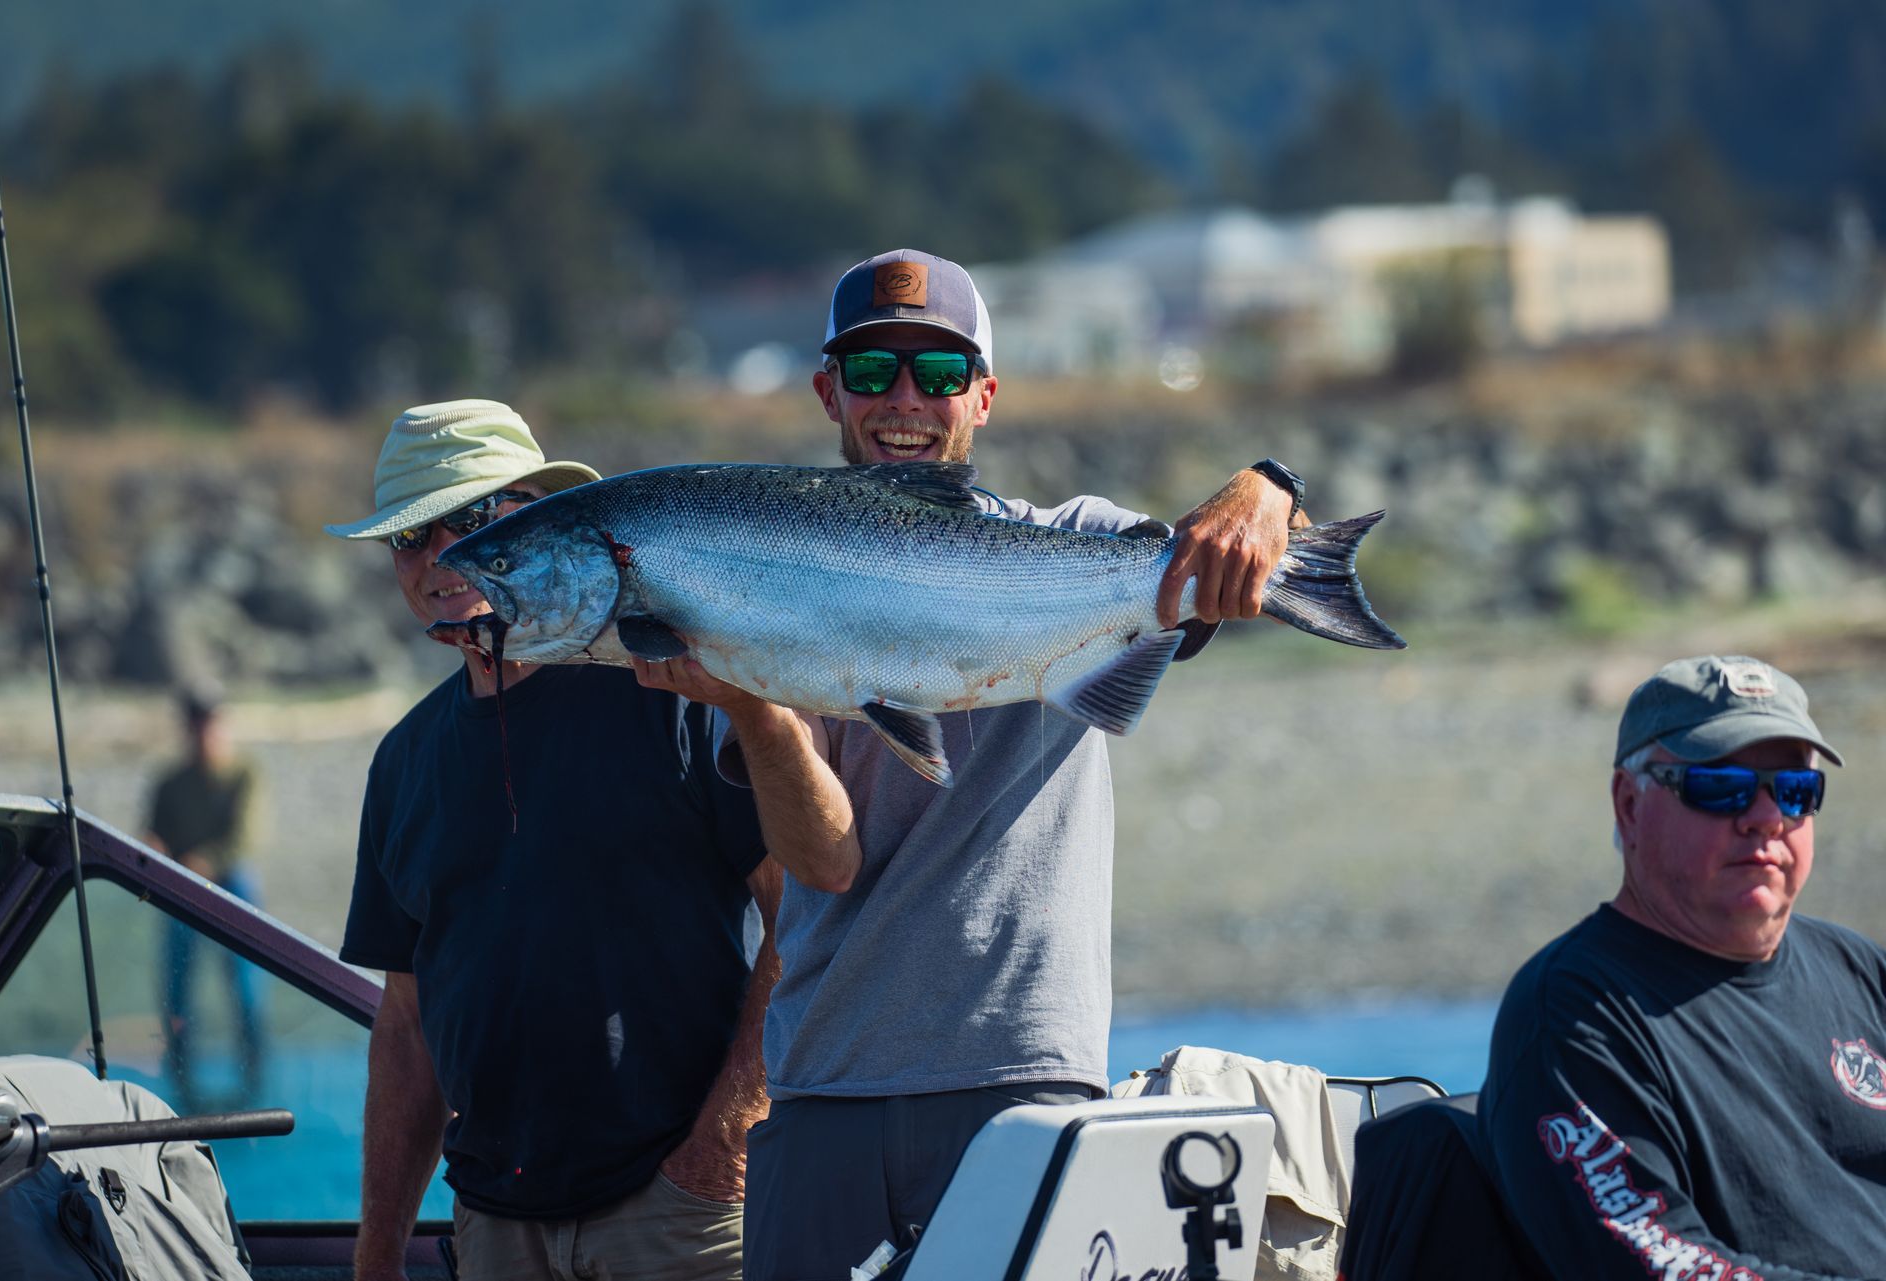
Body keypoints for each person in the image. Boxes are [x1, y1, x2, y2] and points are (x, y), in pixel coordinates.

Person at [632, 249, 1312, 1279]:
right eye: (872, 373)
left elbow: (1248, 545)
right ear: (828, 393)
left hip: (1024, 1082)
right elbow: (824, 862)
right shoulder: (763, 581)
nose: (905, 400)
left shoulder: (1081, 544)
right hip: (823, 1090)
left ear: (984, 397)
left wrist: (1267, 489)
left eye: (940, 375)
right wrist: (749, 705)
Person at [325, 400, 782, 1281]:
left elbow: (802, 918)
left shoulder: (671, 692)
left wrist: (721, 1146)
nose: (441, 557)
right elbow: (409, 1024)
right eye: (411, 536)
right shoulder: (405, 760)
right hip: (494, 1225)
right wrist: (377, 1252)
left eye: (469, 522)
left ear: (540, 515)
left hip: (680, 1213)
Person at [1478, 654, 1886, 1279]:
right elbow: (1664, 1264)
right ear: (1630, 806)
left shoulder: (1861, 972)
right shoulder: (1573, 1017)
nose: (1764, 817)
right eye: (1721, 787)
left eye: (1795, 790)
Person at [147, 687, 265, 1112]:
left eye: (211, 725)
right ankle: (180, 1079)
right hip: (182, 884)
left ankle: (255, 1075)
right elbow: (153, 832)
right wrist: (157, 850)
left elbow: (244, 838)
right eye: (198, 726)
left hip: (231, 882)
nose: (205, 735)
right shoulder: (170, 782)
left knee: (247, 984)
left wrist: (207, 860)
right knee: (176, 985)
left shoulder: (243, 774)